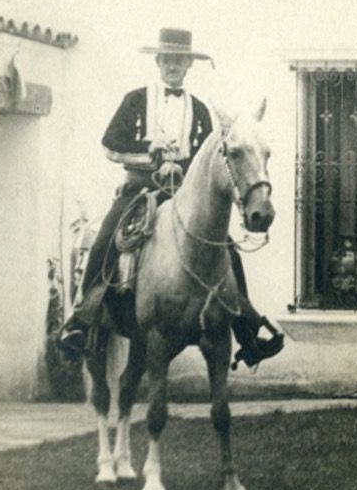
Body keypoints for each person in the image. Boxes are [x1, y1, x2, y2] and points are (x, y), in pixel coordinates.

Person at [57, 28, 284, 368]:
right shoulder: (135, 99)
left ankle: (247, 329)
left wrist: (179, 166)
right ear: (159, 61)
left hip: (183, 195)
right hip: (140, 190)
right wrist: (151, 155)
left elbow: (208, 161)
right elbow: (110, 144)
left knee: (227, 249)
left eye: (180, 60)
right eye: (168, 59)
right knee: (107, 236)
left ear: (188, 65)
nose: (173, 66)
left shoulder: (200, 110)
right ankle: (81, 318)